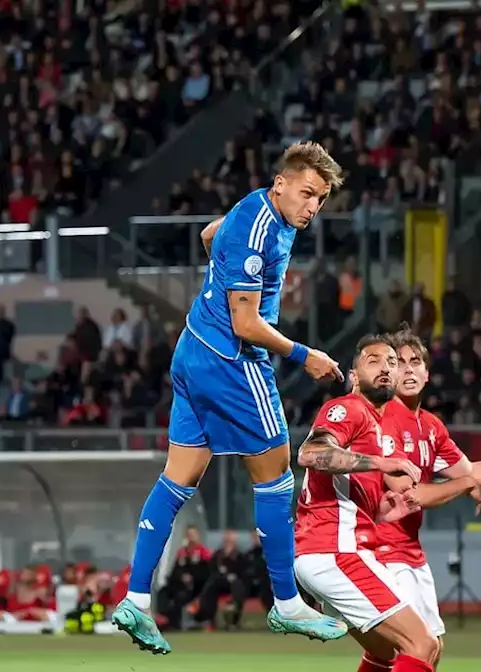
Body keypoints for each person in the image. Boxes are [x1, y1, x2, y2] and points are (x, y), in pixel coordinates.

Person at [113, 142, 358, 654]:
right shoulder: (258, 232)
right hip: (231, 360)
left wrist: (227, 273)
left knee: (177, 479)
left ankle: (136, 597)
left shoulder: (257, 207)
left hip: (192, 349)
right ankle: (288, 602)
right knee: (276, 475)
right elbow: (246, 323)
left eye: (321, 199)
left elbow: (209, 235)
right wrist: (305, 354)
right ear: (281, 183)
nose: (312, 207)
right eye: (308, 194)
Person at [357, 329, 481, 672]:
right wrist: (465, 484)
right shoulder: (383, 418)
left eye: (414, 362)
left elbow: (471, 472)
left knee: (420, 650)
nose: (406, 370)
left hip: (410, 552)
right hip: (380, 550)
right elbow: (411, 493)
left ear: (426, 373)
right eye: (398, 362)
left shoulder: (431, 426)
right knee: (420, 647)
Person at [292, 335, 438, 672]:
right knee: (423, 644)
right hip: (335, 552)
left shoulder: (373, 423)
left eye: (391, 361)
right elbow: (310, 453)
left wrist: (381, 513)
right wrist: (380, 464)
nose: (385, 367)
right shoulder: (348, 408)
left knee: (386, 656)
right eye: (373, 361)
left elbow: (338, 493)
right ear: (354, 375)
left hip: (331, 550)